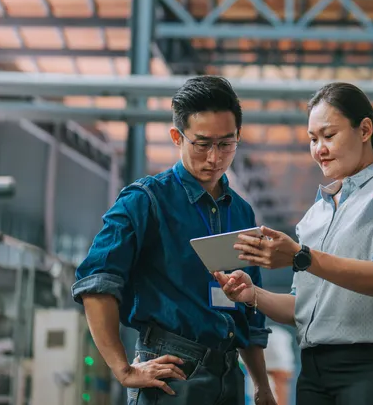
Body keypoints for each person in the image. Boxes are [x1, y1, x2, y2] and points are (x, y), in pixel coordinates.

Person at [214, 82, 373, 405]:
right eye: (312, 139)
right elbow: (303, 309)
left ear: (364, 130)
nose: (319, 148)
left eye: (329, 135)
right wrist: (254, 295)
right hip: (316, 371)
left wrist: (301, 256)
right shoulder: (316, 215)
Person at [72, 76, 275, 405]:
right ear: (176, 137)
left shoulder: (241, 212)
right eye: (202, 143)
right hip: (172, 374)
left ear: (238, 136)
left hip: (229, 377)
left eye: (226, 144)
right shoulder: (145, 201)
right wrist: (122, 369)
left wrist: (261, 385)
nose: (214, 158)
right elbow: (97, 283)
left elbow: (250, 309)